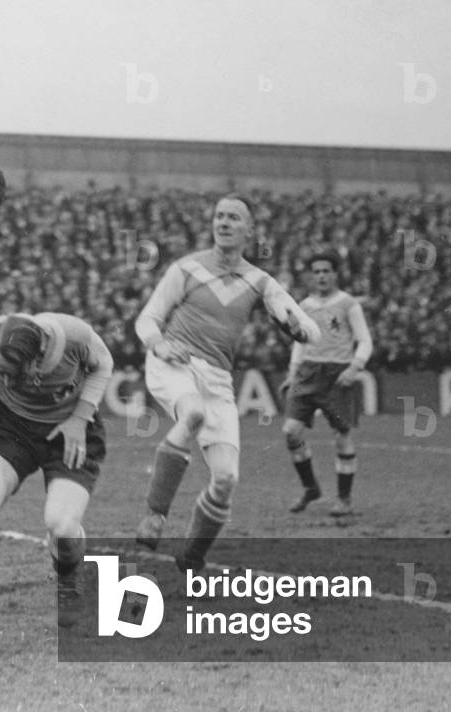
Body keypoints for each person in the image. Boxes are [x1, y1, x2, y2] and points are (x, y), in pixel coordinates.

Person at [133, 194, 321, 572]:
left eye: (234, 218)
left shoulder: (259, 281)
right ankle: (155, 515)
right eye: (219, 216)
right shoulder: (185, 268)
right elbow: (147, 320)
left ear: (249, 230)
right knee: (193, 414)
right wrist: (160, 344)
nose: (224, 223)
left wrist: (299, 329)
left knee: (226, 478)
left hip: (217, 379)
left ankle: (193, 558)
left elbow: (309, 327)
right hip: (174, 361)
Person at [0, 312, 113, 659]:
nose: (1, 377)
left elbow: (104, 363)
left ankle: (69, 580)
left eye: (8, 374)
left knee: (62, 527)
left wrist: (80, 419)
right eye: (0, 371)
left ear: (37, 362)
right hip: (12, 430)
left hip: (67, 430)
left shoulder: (75, 336)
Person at [280, 249, 373, 517]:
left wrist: (354, 368)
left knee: (342, 437)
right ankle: (311, 488)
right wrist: (292, 372)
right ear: (311, 276)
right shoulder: (305, 306)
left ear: (335, 274)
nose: (321, 276)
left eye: (326, 271)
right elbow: (300, 341)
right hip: (308, 373)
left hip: (338, 374)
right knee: (291, 432)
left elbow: (365, 340)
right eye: (317, 271)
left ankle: (344, 499)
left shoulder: (348, 304)